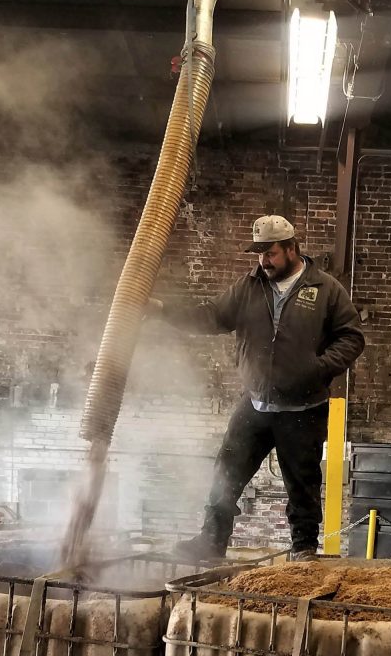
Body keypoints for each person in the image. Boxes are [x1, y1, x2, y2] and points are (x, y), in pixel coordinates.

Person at [156, 214, 365, 562]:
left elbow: (352, 338)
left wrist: (318, 369)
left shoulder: (325, 289)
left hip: (303, 409)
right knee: (225, 473)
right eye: (259, 253)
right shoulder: (249, 286)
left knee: (302, 484)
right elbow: (212, 315)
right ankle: (211, 541)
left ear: (292, 248)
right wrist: (164, 312)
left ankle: (303, 550)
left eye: (270, 253)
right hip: (255, 404)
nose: (263, 261)